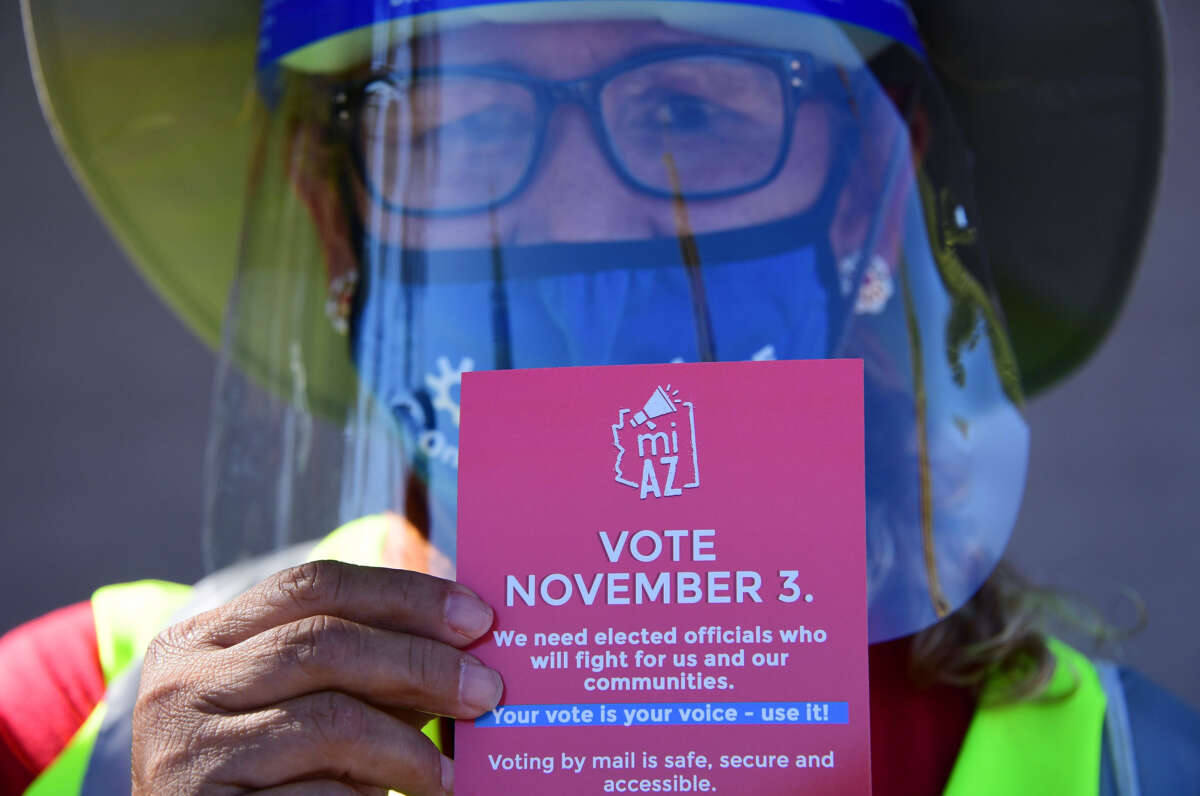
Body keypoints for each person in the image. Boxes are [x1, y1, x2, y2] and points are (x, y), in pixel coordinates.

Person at [4, 0, 1197, 794]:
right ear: (336, 222)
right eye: (461, 127)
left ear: (869, 199)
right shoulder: (59, 723)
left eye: (690, 114)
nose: (582, 226)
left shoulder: (1133, 768)